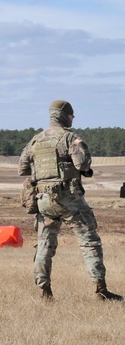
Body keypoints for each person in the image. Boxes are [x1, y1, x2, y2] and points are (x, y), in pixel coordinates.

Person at [18, 100, 121, 301]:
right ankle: (101, 290)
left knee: (44, 245)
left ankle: (44, 291)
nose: (73, 118)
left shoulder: (35, 141)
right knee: (89, 241)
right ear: (65, 116)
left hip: (43, 200)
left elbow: (22, 169)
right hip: (69, 199)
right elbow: (82, 163)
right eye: (72, 115)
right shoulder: (70, 138)